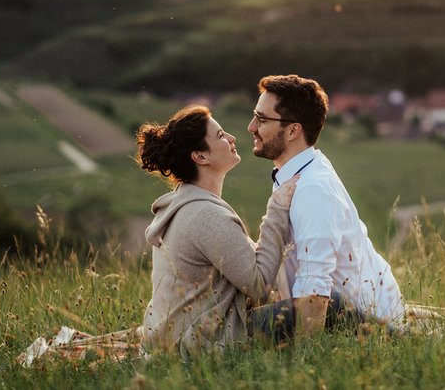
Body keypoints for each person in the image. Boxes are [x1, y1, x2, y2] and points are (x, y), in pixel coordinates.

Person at [248, 74, 406, 336]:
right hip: (339, 314)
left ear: (292, 131)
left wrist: (303, 364)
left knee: (235, 334)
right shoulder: (295, 173)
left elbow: (315, 292)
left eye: (262, 119)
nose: (251, 126)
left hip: (367, 326)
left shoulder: (312, 189)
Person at [136, 104, 298, 356]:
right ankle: (381, 336)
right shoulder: (207, 216)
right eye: (221, 136)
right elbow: (259, 288)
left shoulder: (186, 204)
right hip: (207, 345)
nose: (232, 138)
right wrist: (278, 208)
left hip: (178, 340)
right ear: (200, 157)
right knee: (332, 304)